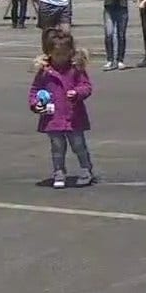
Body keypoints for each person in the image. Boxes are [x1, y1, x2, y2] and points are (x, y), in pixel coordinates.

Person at [28, 29, 95, 188]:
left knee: (78, 145)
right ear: (49, 52)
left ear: (70, 52)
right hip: (53, 117)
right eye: (56, 54)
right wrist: (35, 104)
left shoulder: (75, 69)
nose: (60, 58)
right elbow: (35, 90)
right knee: (57, 147)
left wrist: (77, 92)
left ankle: (86, 169)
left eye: (64, 54)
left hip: (74, 116)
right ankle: (59, 171)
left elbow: (86, 86)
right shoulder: (45, 71)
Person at [99, 0, 133, 70]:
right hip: (109, 7)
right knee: (108, 34)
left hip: (122, 7)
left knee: (121, 35)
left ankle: (120, 60)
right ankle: (110, 59)